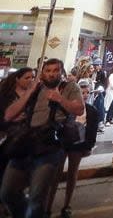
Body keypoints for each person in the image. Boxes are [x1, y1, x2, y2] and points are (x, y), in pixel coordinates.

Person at [1, 59, 84, 218]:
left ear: (61, 72)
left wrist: (60, 99)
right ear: (42, 73)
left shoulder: (69, 87)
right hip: (25, 143)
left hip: (49, 146)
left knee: (37, 197)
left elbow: (79, 109)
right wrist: (29, 93)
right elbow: (9, 114)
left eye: (55, 70)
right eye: (48, 70)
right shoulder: (35, 88)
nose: (51, 74)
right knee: (7, 193)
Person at [56, 79, 98, 218]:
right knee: (56, 173)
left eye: (87, 92)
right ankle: (47, 204)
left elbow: (92, 130)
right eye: (82, 92)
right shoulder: (66, 107)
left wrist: (88, 146)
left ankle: (66, 204)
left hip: (78, 145)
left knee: (72, 173)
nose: (84, 95)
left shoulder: (91, 110)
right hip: (62, 143)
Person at [0, 68, 36, 182]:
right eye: (27, 77)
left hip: (26, 141)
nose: (31, 80)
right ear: (17, 79)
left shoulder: (34, 96)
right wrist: (11, 120)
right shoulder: (6, 96)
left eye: (33, 77)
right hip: (7, 140)